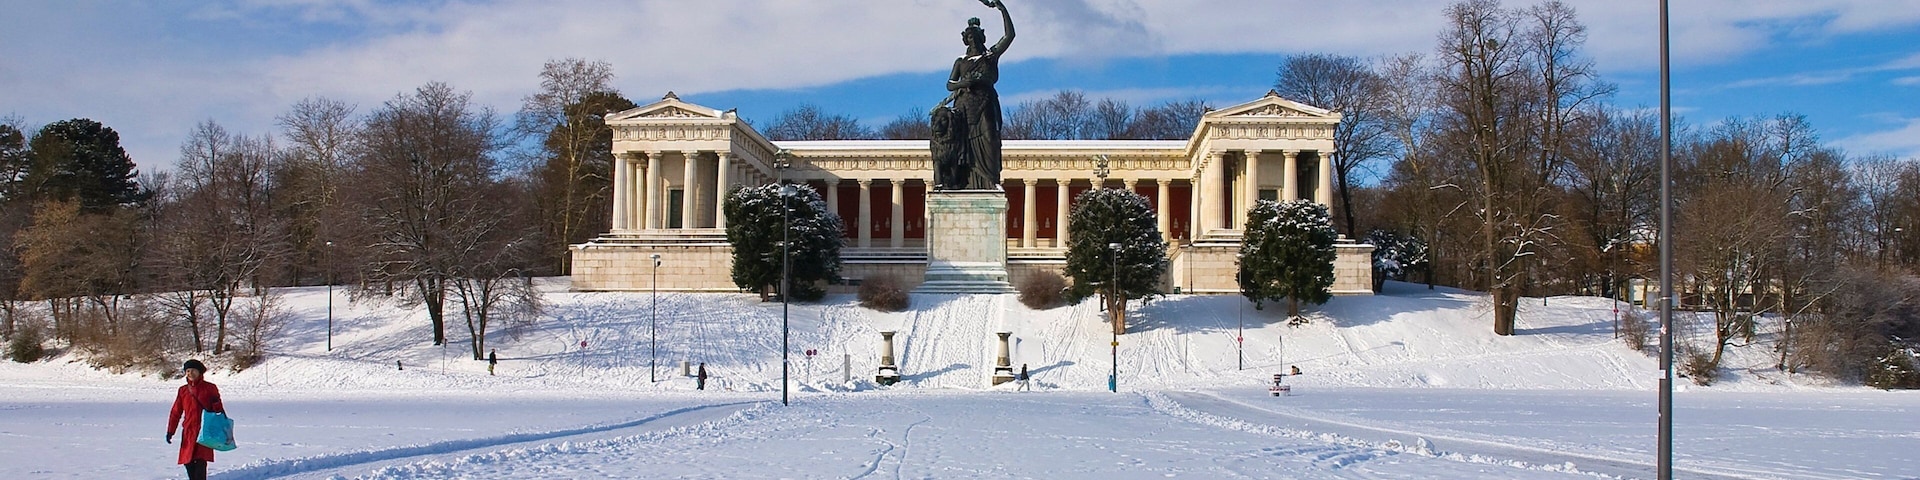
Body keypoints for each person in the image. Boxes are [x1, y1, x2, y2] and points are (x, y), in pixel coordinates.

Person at [941, 0, 1014, 190]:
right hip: (963, 105)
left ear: (982, 38)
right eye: (970, 37)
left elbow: (1009, 35)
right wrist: (964, 83)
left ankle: (991, 181)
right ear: (966, 40)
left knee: (990, 137)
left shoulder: (990, 55)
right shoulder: (960, 61)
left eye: (976, 37)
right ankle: (963, 181)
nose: (973, 41)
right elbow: (950, 84)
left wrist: (1001, 8)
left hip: (985, 101)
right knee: (962, 144)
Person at [166, 359, 226, 480]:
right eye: (187, 371)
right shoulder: (183, 390)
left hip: (205, 430)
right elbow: (176, 412)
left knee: (200, 461)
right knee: (187, 461)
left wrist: (217, 406)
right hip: (188, 430)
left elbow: (219, 411)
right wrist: (170, 431)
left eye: (193, 370)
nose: (190, 373)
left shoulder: (210, 388)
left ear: (200, 372)